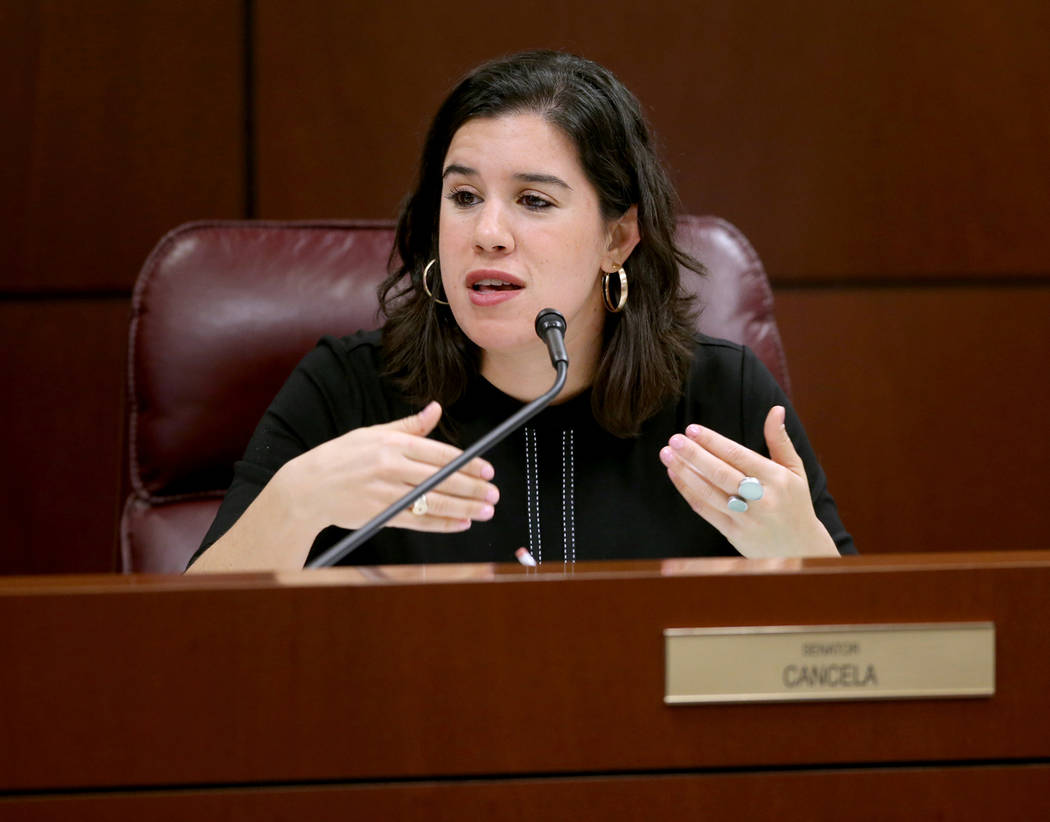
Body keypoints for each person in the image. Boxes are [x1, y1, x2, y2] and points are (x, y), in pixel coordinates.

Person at [187, 50, 854, 573]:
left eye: (534, 201)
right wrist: (298, 502)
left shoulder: (720, 400)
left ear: (617, 237)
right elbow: (190, 638)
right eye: (464, 196)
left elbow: (857, 655)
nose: (488, 233)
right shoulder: (350, 392)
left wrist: (799, 549)